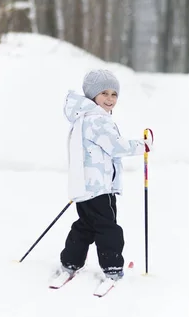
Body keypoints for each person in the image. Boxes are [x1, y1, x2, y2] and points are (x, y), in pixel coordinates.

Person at [59, 69, 153, 281]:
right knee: (107, 228)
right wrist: (142, 146)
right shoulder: (96, 120)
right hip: (99, 187)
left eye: (114, 94)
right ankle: (111, 266)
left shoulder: (86, 117)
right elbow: (116, 147)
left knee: (86, 225)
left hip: (86, 186)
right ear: (93, 95)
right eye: (104, 93)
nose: (110, 99)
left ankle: (71, 260)